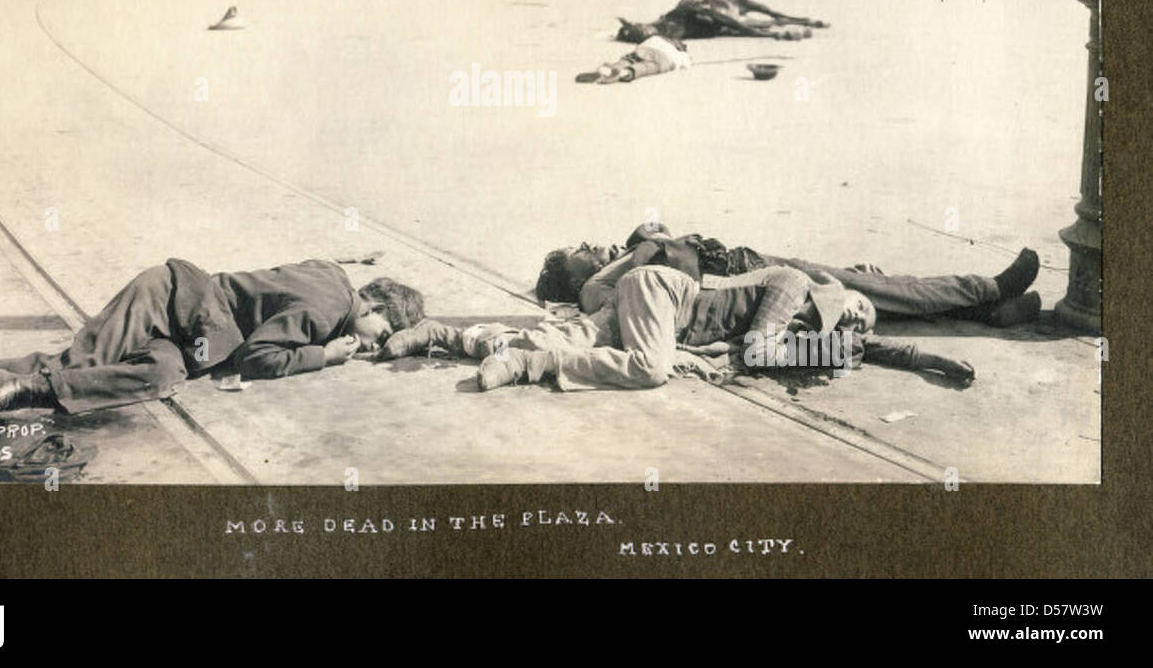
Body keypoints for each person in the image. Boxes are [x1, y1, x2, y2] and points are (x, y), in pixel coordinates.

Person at [0, 258, 424, 427]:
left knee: (159, 377)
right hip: (171, 298)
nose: (376, 348)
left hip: (187, 334)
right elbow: (256, 358)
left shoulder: (333, 278)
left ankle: (11, 388)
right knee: (78, 360)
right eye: (382, 337)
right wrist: (323, 356)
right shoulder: (327, 312)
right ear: (375, 308)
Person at [379, 264, 975, 393]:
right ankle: (534, 367)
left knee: (568, 339)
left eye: (861, 322)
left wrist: (933, 360)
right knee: (651, 369)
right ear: (834, 299)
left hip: (653, 308)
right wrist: (826, 351)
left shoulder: (812, 320)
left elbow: (876, 347)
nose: (859, 323)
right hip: (661, 294)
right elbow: (760, 350)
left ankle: (447, 336)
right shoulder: (793, 287)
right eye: (857, 312)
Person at [533, 224, 1042, 328]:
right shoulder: (593, 287)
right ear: (569, 275)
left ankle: (987, 310)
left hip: (745, 264)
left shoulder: (622, 259)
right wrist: (637, 242)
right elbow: (640, 262)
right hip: (747, 283)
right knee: (870, 288)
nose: (587, 245)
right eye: (576, 251)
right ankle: (987, 290)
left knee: (866, 287)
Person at [616, 0, 828, 43]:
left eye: (643, 28)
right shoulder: (668, 34)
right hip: (715, 16)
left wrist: (768, 35)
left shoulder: (676, 17)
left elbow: (724, 19)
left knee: (765, 13)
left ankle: (798, 21)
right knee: (743, 25)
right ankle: (792, 24)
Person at [576, 34, 690, 84]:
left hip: (648, 46)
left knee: (631, 58)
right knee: (647, 67)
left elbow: (649, 40)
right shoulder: (682, 53)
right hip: (665, 57)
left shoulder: (659, 38)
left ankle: (610, 68)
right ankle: (625, 73)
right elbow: (685, 65)